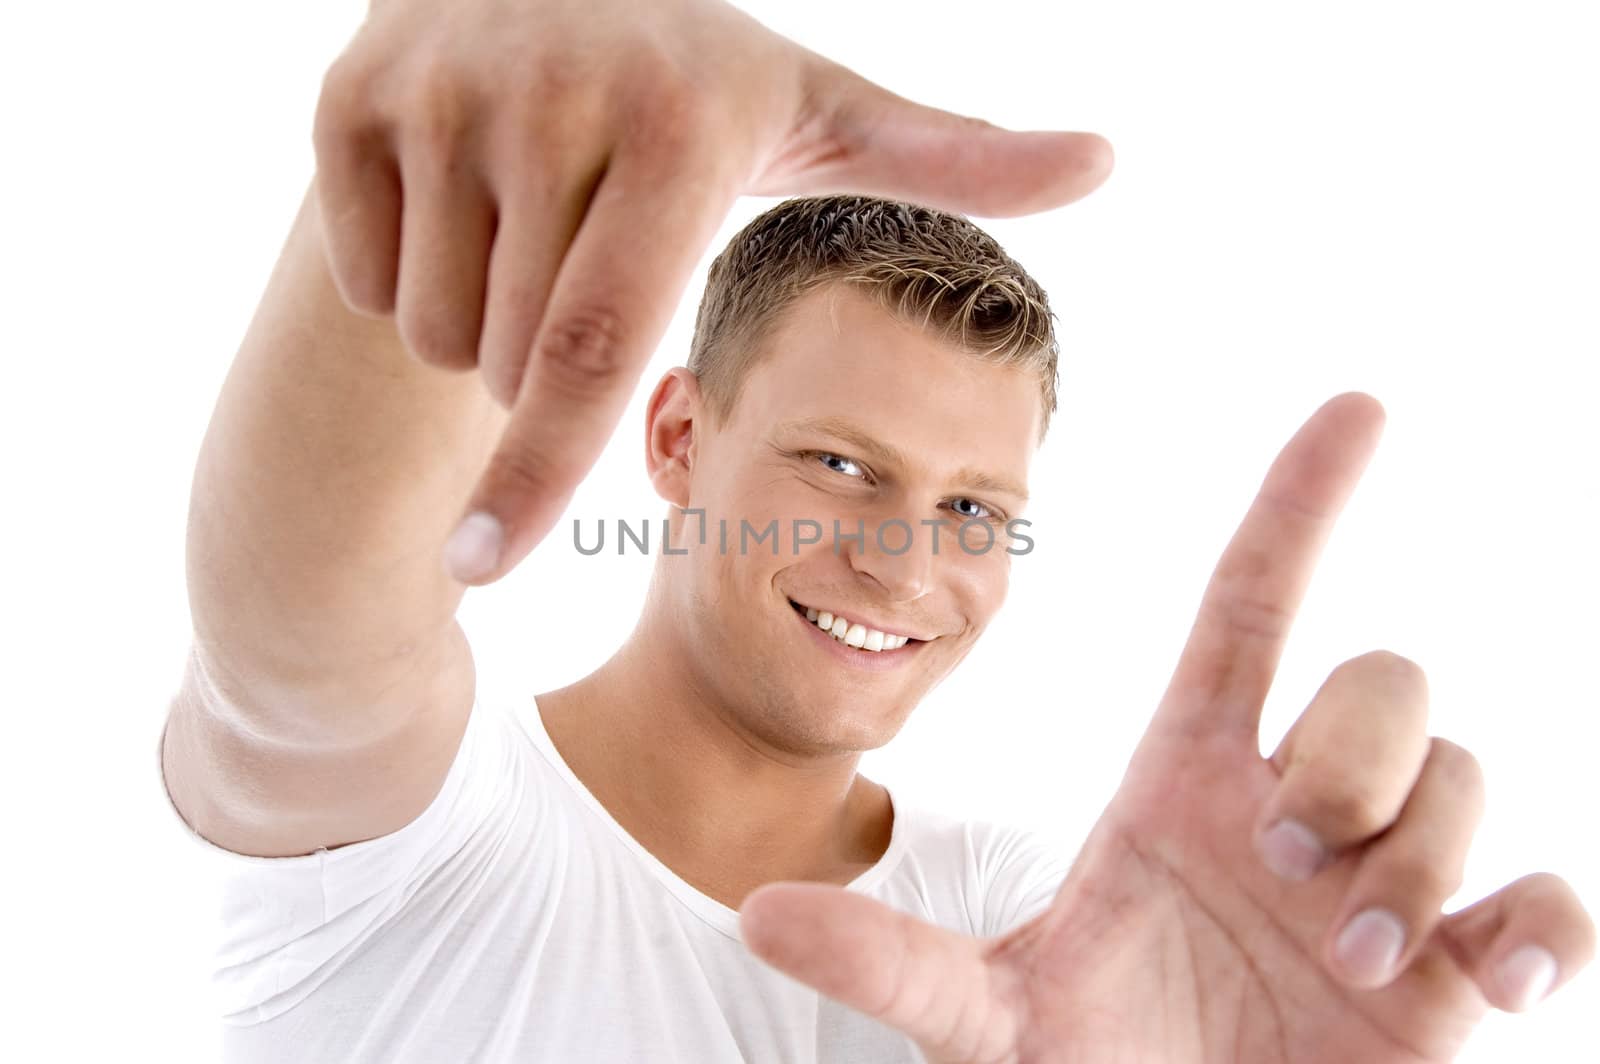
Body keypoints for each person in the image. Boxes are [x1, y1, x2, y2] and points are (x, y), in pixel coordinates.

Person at [156, 0, 1594, 1061]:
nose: (908, 563)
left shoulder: (1024, 924)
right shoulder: (417, 831)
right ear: (676, 439)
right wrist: (493, 79)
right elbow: (303, 615)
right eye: (841, 465)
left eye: (973, 508)